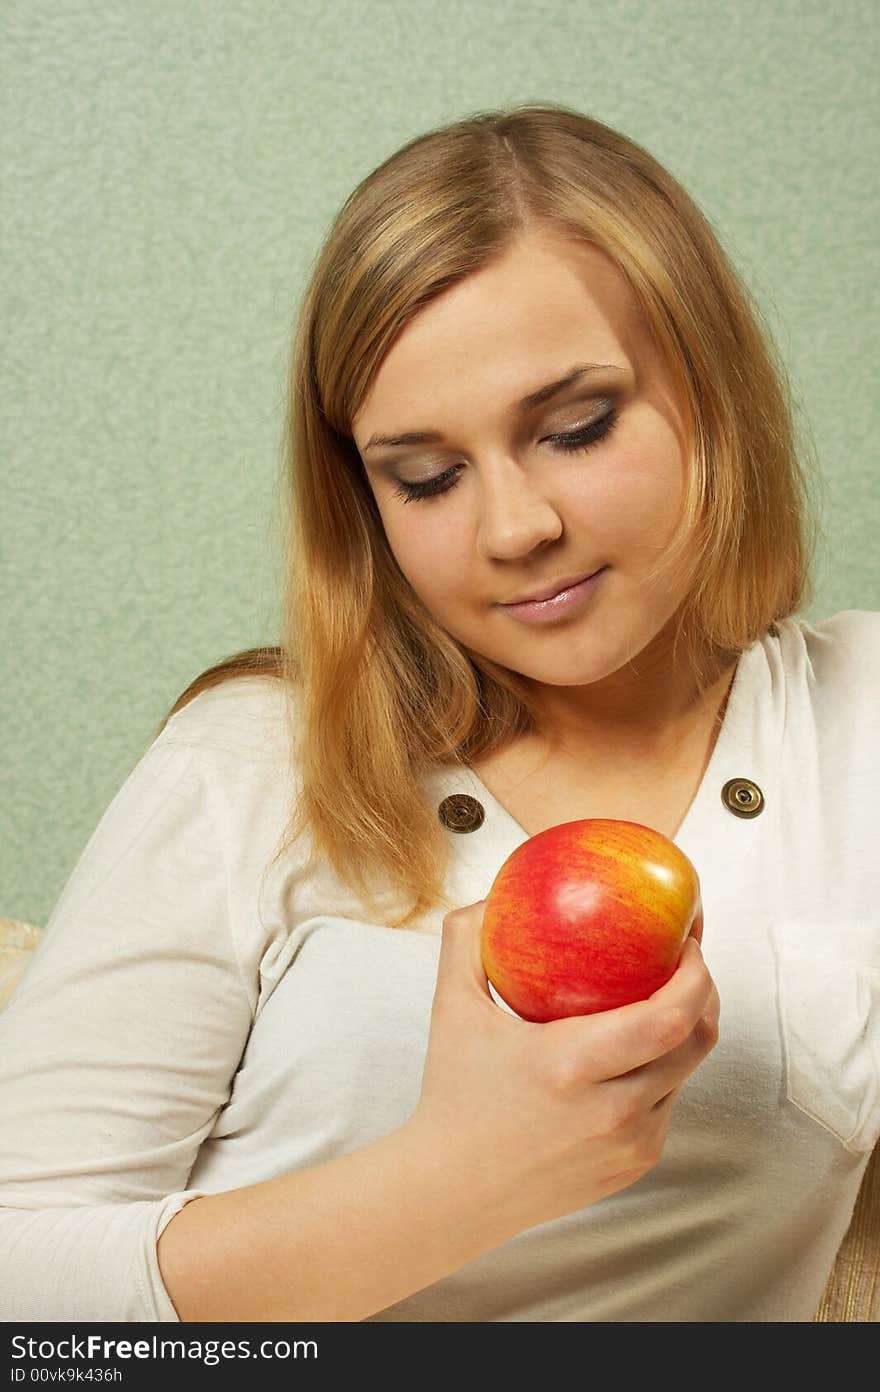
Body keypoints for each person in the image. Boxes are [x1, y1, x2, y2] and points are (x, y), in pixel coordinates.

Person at [1, 101, 877, 1325]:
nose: (515, 529)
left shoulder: (859, 722)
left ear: (712, 392)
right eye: (425, 476)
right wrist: (456, 1182)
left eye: (575, 428)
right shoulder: (259, 757)